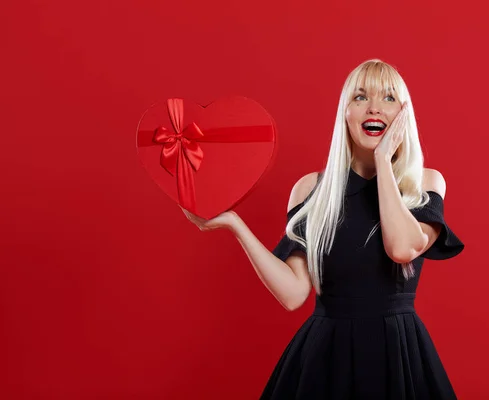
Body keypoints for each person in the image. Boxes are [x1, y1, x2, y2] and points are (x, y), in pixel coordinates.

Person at [182, 59, 465, 399]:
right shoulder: (310, 190)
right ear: (345, 113)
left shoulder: (424, 184)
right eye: (360, 97)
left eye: (388, 98)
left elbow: (401, 248)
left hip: (398, 353)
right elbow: (293, 294)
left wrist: (383, 162)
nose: (374, 107)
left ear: (405, 115)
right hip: (326, 357)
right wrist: (234, 224)